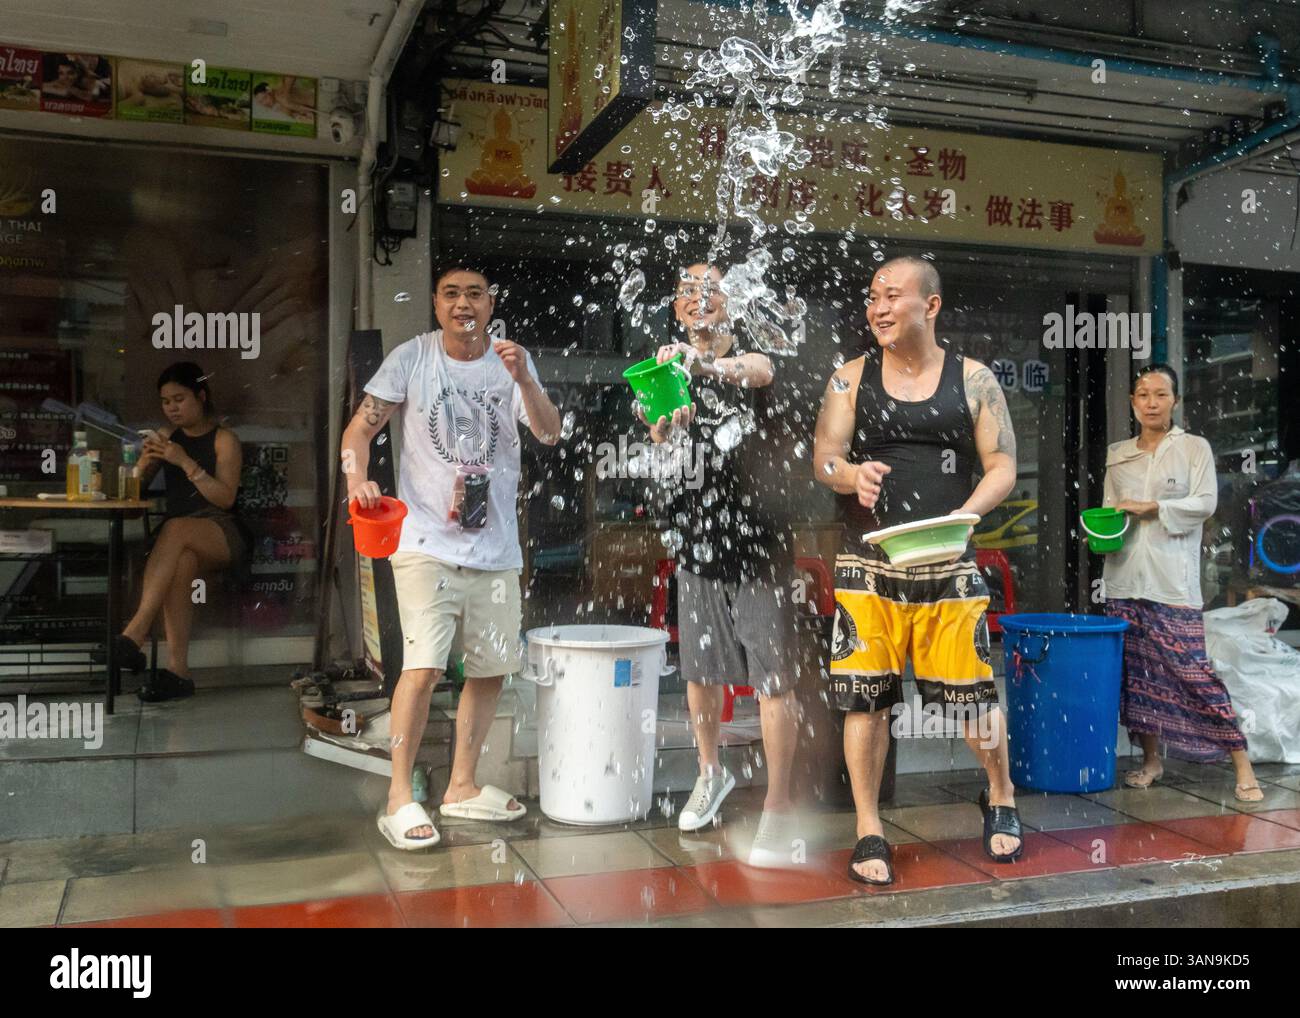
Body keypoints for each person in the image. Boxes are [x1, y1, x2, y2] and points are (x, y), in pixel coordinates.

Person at [812, 256, 1021, 885]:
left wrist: (966, 514)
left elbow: (1002, 466)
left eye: (892, 296)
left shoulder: (974, 378)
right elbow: (824, 457)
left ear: (930, 306)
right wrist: (850, 475)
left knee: (972, 697)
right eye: (872, 296)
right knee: (866, 700)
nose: (877, 307)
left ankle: (1001, 794)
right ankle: (868, 826)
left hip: (949, 562)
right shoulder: (849, 377)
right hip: (867, 564)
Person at [342, 264, 561, 850]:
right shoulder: (412, 358)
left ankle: (461, 786)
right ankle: (398, 796)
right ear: (436, 305)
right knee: (423, 668)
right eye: (451, 294)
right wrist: (358, 483)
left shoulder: (512, 361)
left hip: (496, 549)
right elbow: (358, 433)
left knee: (491, 670)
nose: (463, 303)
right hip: (424, 545)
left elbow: (549, 433)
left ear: (491, 304)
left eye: (475, 295)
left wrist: (525, 379)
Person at [642, 261, 802, 868]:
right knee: (701, 671)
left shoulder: (754, 346)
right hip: (697, 540)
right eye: (687, 291)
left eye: (710, 289)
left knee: (772, 677)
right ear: (676, 307)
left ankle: (780, 805)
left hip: (760, 544)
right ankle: (711, 773)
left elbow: (760, 372)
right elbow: (656, 437)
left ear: (731, 300)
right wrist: (664, 426)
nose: (698, 298)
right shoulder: (664, 365)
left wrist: (702, 365)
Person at [1102, 364, 1262, 801]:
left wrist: (1155, 508)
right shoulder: (1118, 453)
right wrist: (1101, 529)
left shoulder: (1194, 448)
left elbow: (1205, 503)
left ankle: (1241, 763)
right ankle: (1151, 760)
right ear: (1132, 402)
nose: (1151, 403)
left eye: (1160, 395)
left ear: (1175, 401)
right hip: (1123, 580)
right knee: (1138, 680)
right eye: (1142, 395)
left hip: (1173, 584)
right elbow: (1111, 509)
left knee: (1195, 675)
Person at [112, 362, 248, 701]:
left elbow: (226, 498)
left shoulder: (224, 439)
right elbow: (129, 506)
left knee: (175, 529)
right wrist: (143, 464)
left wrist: (184, 461)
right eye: (165, 401)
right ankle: (178, 673)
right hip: (180, 538)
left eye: (179, 399)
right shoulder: (167, 436)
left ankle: (136, 632)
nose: (172, 408)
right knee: (182, 561)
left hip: (222, 530)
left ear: (201, 396)